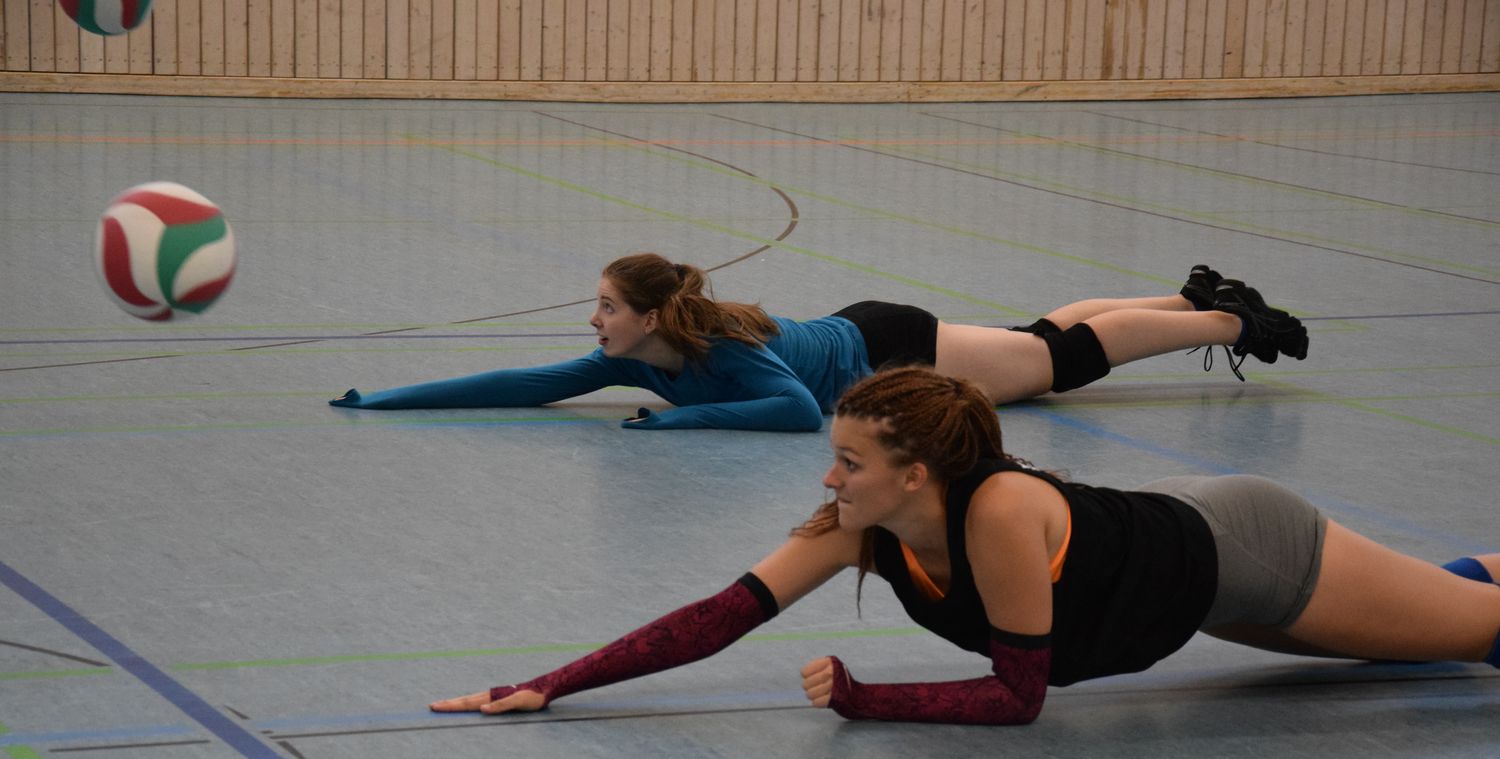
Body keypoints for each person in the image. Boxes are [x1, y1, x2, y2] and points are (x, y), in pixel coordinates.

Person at [431, 367, 1500, 725]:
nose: (828, 481)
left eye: (848, 461)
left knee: (1477, 637)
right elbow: (721, 616)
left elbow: (1020, 696)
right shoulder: (863, 529)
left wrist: (866, 700)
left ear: (916, 475)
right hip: (1185, 580)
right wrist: (552, 683)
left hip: (1248, 550)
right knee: (1424, 628)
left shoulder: (997, 512)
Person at [330, 253, 1309, 432]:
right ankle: (1191, 297)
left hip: (889, 351)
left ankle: (1235, 323)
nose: (593, 324)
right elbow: (522, 383)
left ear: (651, 317)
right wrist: (387, 399)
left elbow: (797, 410)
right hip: (864, 333)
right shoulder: (632, 357)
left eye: (605, 308)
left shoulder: (719, 352)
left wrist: (678, 425)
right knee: (1038, 340)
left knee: (1058, 363)